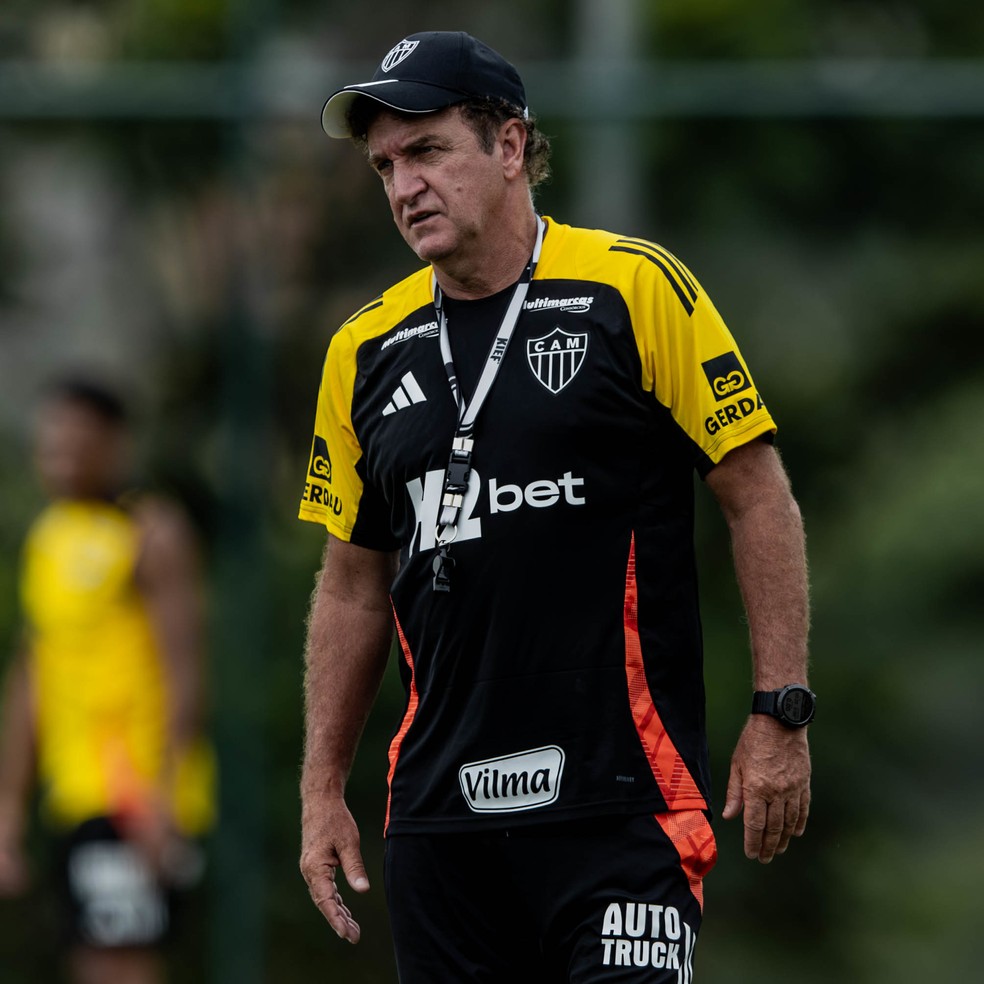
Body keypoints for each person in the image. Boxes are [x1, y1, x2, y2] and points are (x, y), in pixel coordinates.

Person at [298, 30, 813, 982]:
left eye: (427, 151)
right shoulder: (363, 350)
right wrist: (321, 788)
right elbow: (352, 587)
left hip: (623, 806)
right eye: (384, 166)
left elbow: (759, 496)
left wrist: (779, 711)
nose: (404, 186)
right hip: (442, 819)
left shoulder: (633, 287)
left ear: (507, 146)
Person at [0, 377, 215, 984]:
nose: (58, 456)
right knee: (89, 958)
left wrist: (165, 797)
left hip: (133, 792)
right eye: (50, 443)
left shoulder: (151, 533)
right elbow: (32, 678)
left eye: (75, 441)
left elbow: (185, 670)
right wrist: (9, 807)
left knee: (120, 963)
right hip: (71, 792)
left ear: (114, 444)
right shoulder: (48, 540)